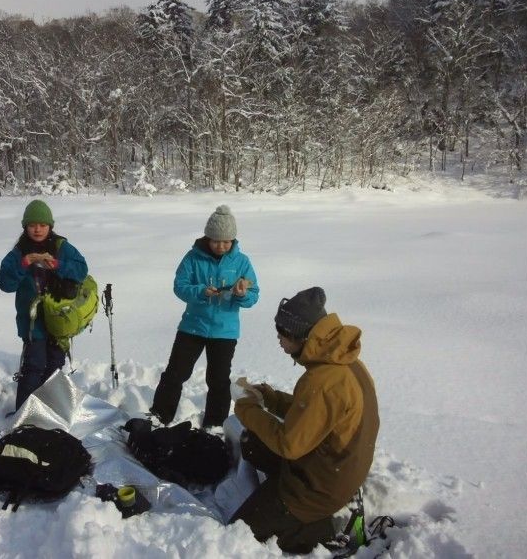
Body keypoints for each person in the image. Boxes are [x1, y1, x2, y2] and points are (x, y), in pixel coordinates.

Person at [231, 287, 380, 554]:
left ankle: (323, 529)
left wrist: (247, 409)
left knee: (239, 531)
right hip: (336, 467)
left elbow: (290, 445)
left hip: (318, 488)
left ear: (300, 336)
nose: (278, 340)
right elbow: (315, 412)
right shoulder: (342, 362)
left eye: (282, 334)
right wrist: (271, 398)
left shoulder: (322, 380)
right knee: (251, 443)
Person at [150, 205, 259, 428]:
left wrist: (241, 294)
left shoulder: (241, 262)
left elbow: (253, 295)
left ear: (233, 240)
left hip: (225, 331)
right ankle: (159, 416)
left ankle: (215, 424)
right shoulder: (192, 258)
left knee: (218, 381)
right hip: (192, 327)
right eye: (217, 240)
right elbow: (179, 286)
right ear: (208, 238)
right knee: (175, 373)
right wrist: (200, 291)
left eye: (227, 241)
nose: (221, 246)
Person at [0, 199, 88, 410]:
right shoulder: (18, 253)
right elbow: (4, 283)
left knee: (55, 366)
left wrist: (57, 265)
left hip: (59, 318)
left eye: (42, 225)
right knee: (34, 366)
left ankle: (48, 412)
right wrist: (24, 264)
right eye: (32, 225)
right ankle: (25, 415)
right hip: (32, 321)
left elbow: (81, 270)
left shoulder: (61, 247)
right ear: (25, 227)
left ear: (50, 226)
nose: (37, 229)